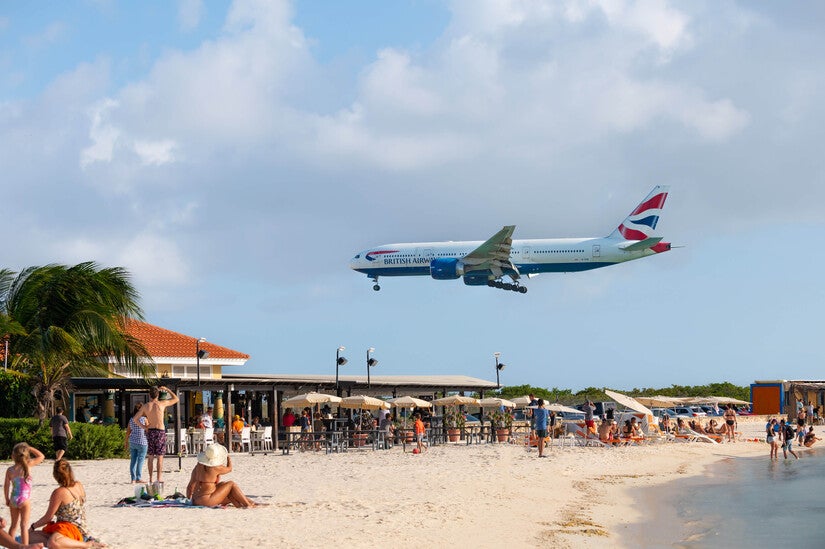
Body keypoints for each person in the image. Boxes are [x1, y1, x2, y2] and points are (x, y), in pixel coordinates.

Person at [29, 459, 103, 549]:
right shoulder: (78, 485)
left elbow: (48, 518)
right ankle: (68, 543)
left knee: (52, 542)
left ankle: (87, 545)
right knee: (29, 536)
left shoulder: (59, 492)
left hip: (71, 528)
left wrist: (33, 526)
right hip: (76, 528)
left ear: (55, 476)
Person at [133, 385, 179, 484]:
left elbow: (135, 419)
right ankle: (159, 478)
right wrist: (167, 389)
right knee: (160, 457)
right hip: (160, 431)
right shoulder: (162, 404)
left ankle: (150, 478)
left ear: (149, 395)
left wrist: (144, 427)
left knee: (150, 456)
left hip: (150, 431)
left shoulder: (146, 406)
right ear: (158, 395)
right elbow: (176, 399)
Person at [186, 444, 256, 508]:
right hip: (206, 500)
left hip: (195, 500)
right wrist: (228, 458)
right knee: (231, 484)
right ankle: (248, 505)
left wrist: (189, 501)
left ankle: (246, 504)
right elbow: (229, 469)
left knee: (223, 485)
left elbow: (190, 486)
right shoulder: (215, 468)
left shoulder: (198, 466)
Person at [4, 444, 45, 545]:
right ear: (26, 455)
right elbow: (41, 456)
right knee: (24, 526)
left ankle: (10, 546)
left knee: (13, 526)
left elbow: (6, 486)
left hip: (14, 499)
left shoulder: (10, 470)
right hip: (24, 499)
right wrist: (29, 447)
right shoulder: (28, 464)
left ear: (13, 456)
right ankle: (25, 547)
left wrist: (7, 499)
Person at [124, 404, 148, 484]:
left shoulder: (131, 420)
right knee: (140, 461)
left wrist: (126, 442)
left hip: (133, 441)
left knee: (133, 460)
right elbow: (148, 430)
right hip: (142, 442)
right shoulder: (144, 419)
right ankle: (138, 478)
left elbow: (128, 432)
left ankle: (133, 479)